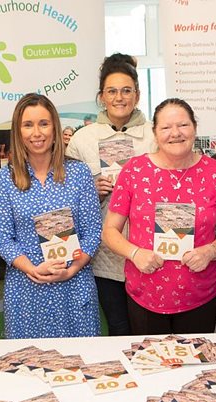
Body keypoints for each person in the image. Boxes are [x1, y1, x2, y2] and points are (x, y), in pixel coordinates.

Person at [102, 98, 216, 335]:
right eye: (165, 127)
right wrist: (135, 253)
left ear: (194, 127)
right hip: (145, 295)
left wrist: (210, 252)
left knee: (196, 367)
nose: (175, 133)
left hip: (200, 296)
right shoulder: (133, 171)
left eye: (183, 125)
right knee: (152, 367)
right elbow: (110, 232)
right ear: (155, 133)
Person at [0, 93, 102, 338]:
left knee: (79, 365)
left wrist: (72, 270)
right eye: (28, 125)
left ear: (55, 127)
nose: (36, 133)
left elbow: (93, 232)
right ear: (18, 131)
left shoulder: (79, 173)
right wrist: (31, 269)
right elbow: (2, 238)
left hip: (73, 286)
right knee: (30, 365)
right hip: (27, 289)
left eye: (43, 123)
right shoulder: (6, 178)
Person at [66, 53, 156, 336]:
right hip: (105, 256)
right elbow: (66, 201)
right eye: (112, 91)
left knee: (148, 330)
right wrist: (91, 191)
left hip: (150, 251)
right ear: (101, 97)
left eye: (127, 90)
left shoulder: (156, 134)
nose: (120, 97)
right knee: (119, 328)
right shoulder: (83, 139)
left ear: (138, 95)